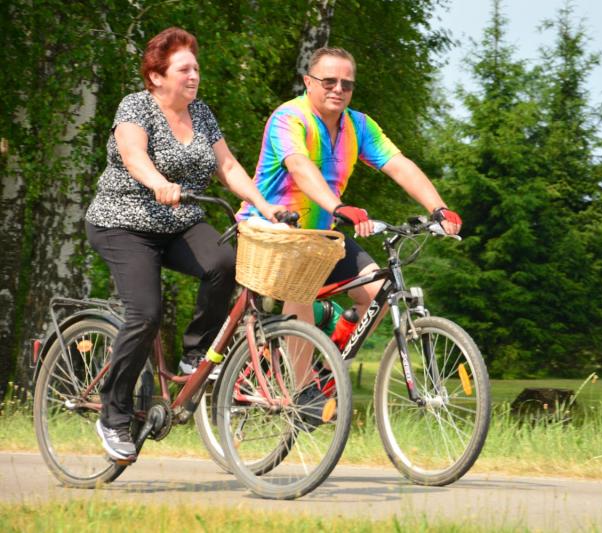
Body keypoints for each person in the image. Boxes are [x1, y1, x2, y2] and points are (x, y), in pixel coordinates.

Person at [85, 27, 285, 461]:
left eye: (196, 68)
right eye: (184, 69)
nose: (193, 75)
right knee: (146, 313)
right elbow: (134, 155)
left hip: (177, 223)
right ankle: (113, 415)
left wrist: (263, 205)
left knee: (225, 262)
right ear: (157, 76)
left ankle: (196, 355)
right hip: (123, 223)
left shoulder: (202, 114)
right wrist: (158, 182)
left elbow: (227, 166)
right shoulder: (135, 106)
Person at [237, 47, 462, 330]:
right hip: (272, 231)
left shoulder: (359, 125)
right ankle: (304, 354)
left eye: (347, 84)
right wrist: (338, 207)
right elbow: (299, 166)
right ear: (308, 82)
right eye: (329, 81)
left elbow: (399, 165)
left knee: (379, 294)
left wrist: (438, 208)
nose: (338, 89)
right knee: (301, 291)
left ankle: (331, 353)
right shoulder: (289, 117)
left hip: (321, 236)